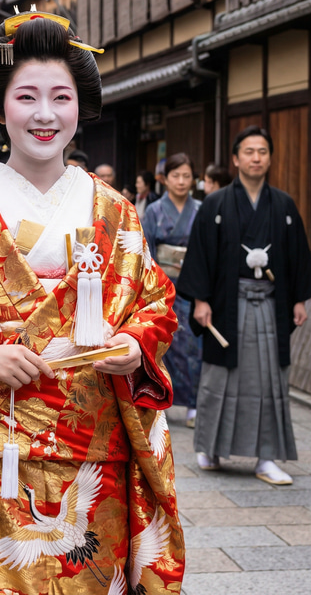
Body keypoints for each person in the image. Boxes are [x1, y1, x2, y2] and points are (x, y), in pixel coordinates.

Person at [0, 13, 185, 593]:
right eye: (27, 97)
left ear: (79, 107)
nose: (45, 115)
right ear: (0, 107)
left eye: (60, 97)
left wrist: (135, 343)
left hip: (94, 449)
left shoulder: (113, 210)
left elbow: (157, 301)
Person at [178, 126, 311, 485]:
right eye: (249, 151)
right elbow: (201, 255)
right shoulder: (216, 204)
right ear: (236, 158)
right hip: (227, 305)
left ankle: (266, 457)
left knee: (270, 379)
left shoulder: (284, 205)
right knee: (219, 377)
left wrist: (299, 299)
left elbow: (296, 256)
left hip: (270, 304)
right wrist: (200, 300)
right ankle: (210, 446)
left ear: (269, 158)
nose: (256, 158)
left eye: (262, 151)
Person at [142, 153, 202, 428]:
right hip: (164, 284)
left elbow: (205, 251)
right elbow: (148, 251)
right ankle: (163, 399)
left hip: (192, 284)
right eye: (175, 176)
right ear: (165, 180)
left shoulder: (200, 209)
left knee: (194, 344)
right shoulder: (154, 211)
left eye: (186, 176)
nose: (181, 181)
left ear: (193, 179)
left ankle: (194, 403)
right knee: (165, 343)